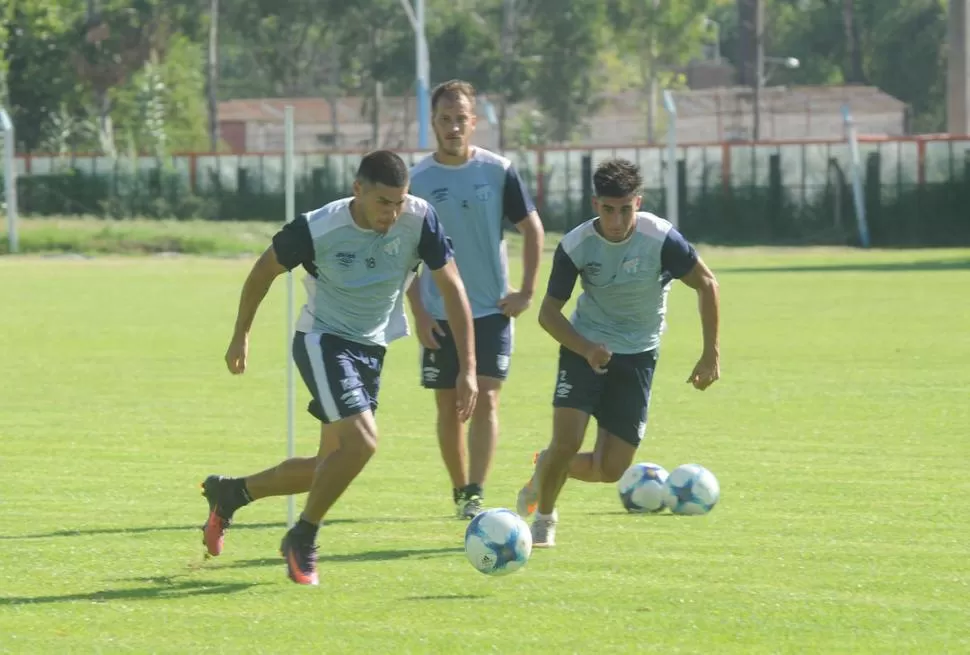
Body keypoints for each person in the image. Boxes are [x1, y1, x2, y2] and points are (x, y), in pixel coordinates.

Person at [201, 150, 478, 585]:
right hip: (322, 340)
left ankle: (233, 492)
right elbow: (262, 271)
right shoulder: (319, 227)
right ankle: (303, 536)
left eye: (400, 202)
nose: (392, 213)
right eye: (383, 202)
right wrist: (242, 334)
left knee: (328, 465)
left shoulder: (420, 219)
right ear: (359, 191)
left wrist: (468, 369)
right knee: (364, 443)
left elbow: (453, 286)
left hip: (371, 349)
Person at [515, 158, 721, 548]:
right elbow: (547, 313)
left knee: (610, 469)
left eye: (625, 209)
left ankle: (545, 468)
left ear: (638, 203)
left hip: (639, 354)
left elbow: (707, 284)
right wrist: (586, 348)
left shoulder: (660, 239)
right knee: (568, 441)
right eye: (608, 210)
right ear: (596, 205)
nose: (616, 220)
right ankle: (543, 518)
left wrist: (710, 354)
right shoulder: (576, 245)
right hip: (585, 348)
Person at [406, 79, 545, 519]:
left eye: (460, 119)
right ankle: (460, 489)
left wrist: (526, 291)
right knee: (448, 403)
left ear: (473, 121)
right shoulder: (417, 180)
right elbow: (405, 253)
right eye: (444, 120)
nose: (452, 127)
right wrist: (419, 308)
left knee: (485, 399)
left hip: (491, 310)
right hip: (440, 313)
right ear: (433, 122)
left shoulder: (498, 169)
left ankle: (477, 492)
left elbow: (533, 229)